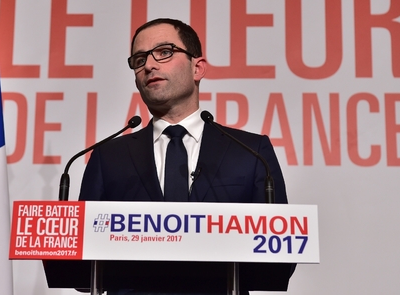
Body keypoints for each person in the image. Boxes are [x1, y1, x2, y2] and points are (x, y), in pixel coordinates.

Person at [78, 18, 292, 293]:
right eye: (140, 59)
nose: (150, 65)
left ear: (197, 68)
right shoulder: (108, 157)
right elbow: (82, 264)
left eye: (164, 52)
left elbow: (280, 257)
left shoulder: (250, 153)